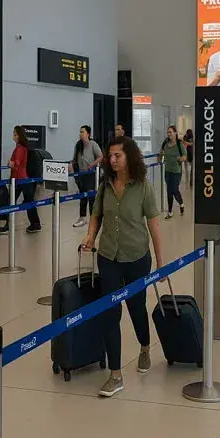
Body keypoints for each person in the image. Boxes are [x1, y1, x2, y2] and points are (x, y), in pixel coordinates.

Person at [81, 136, 164, 397]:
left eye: (118, 155)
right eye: (110, 156)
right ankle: (115, 375)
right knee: (110, 312)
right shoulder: (105, 185)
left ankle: (144, 346)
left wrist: (161, 262)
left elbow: (153, 225)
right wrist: (90, 236)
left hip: (137, 257)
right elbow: (96, 214)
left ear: (130, 156)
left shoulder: (142, 186)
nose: (113, 160)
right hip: (108, 257)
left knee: (136, 307)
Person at [0, 126, 41, 234]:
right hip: (22, 179)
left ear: (20, 136)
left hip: (19, 179)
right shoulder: (21, 148)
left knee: (12, 201)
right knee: (28, 201)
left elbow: (15, 164)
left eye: (15, 134)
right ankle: (35, 224)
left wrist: (9, 163)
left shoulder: (20, 148)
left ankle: (10, 225)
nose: (14, 136)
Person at [71, 125, 103, 228]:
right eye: (80, 132)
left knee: (91, 197)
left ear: (88, 134)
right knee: (82, 197)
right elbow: (75, 158)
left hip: (91, 175)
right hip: (81, 175)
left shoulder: (93, 144)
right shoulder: (78, 145)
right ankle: (82, 218)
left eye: (82, 132)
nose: (80, 134)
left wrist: (92, 165)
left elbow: (101, 156)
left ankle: (94, 219)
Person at [159, 125, 186, 219]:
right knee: (169, 191)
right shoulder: (165, 143)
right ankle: (170, 211)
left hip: (176, 171)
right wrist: (160, 156)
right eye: (168, 132)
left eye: (171, 132)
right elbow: (160, 154)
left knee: (174, 190)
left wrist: (180, 159)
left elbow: (184, 156)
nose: (169, 134)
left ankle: (181, 203)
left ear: (175, 133)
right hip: (167, 171)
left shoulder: (179, 144)